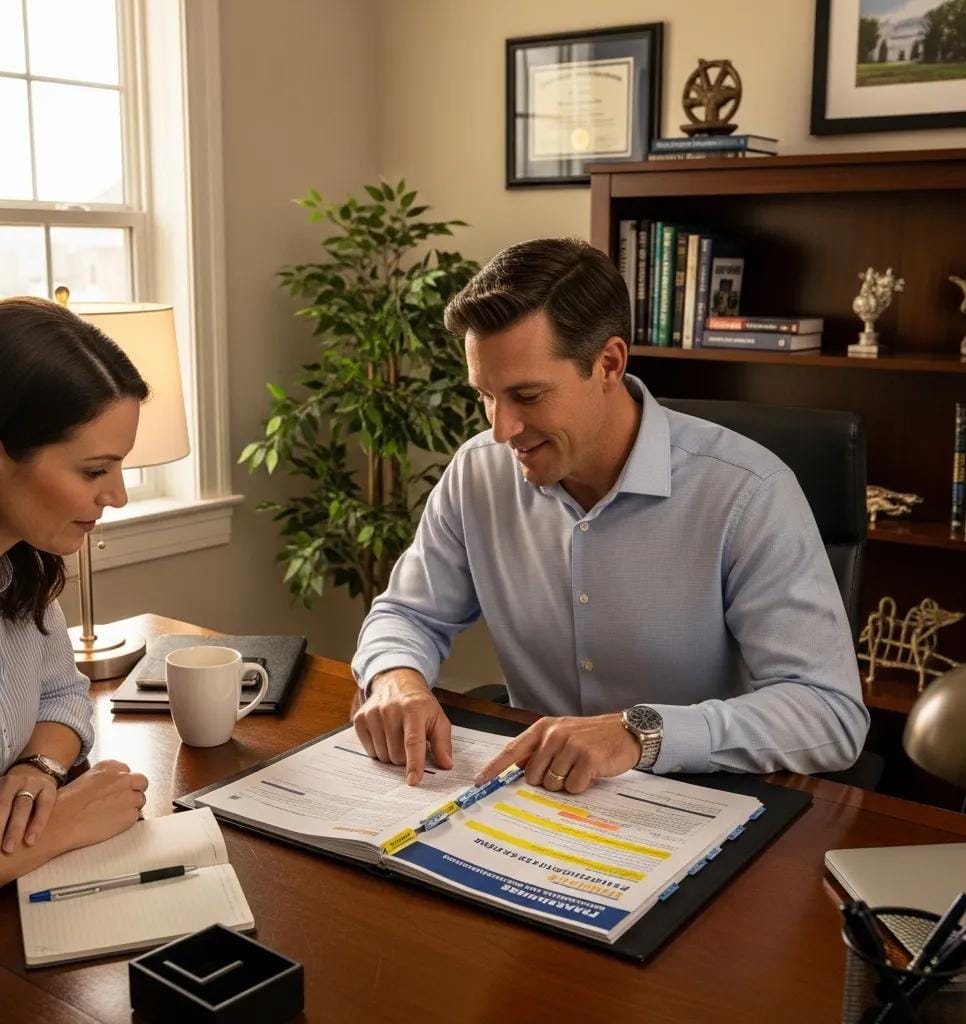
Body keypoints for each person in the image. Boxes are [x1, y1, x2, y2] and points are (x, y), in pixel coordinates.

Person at [351, 238, 868, 794]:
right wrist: (395, 679)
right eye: (486, 395)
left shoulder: (748, 493)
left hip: (701, 799)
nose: (501, 429)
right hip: (533, 799)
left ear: (609, 364)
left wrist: (637, 733)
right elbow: (408, 613)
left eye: (527, 395)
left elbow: (829, 713)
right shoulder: (478, 471)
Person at [0, 297, 150, 885]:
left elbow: (62, 691)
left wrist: (39, 765)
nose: (118, 495)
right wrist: (61, 825)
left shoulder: (21, 569)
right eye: (93, 471)